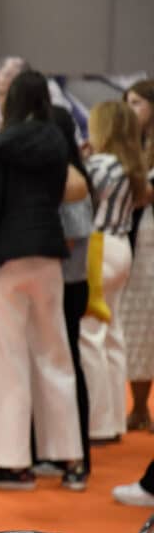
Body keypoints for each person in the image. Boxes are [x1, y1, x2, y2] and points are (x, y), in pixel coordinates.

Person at [0, 70, 84, 490]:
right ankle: (69, 458)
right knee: (55, 355)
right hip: (47, 253)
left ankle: (12, 463)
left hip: (4, 259)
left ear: (10, 101)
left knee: (6, 359)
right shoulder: (56, 142)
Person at [80, 101, 148, 443]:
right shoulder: (131, 166)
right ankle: (115, 420)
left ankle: (97, 423)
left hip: (98, 246)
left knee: (89, 333)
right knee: (112, 333)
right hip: (121, 245)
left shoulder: (98, 165)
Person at [32, 106, 94, 481]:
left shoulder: (72, 181)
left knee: (67, 367)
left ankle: (79, 456)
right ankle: (56, 452)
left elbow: (70, 239)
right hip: (58, 283)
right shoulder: (63, 176)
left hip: (68, 285)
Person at [121, 79, 154, 432]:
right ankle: (140, 407)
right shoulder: (130, 145)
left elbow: (144, 193)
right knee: (139, 323)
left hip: (150, 236)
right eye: (127, 103)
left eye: (137, 103)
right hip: (135, 236)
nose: (131, 111)